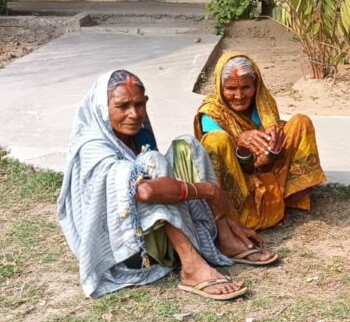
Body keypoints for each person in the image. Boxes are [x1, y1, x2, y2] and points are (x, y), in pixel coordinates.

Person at [57, 70, 278, 301]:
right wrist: (210, 191)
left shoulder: (137, 133)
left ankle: (224, 236)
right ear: (103, 108)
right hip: (130, 252)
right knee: (151, 165)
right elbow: (146, 191)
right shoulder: (92, 146)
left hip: (155, 234)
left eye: (139, 105)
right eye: (122, 107)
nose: (133, 114)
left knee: (187, 145)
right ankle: (191, 265)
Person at [194, 53, 326, 230]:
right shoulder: (212, 113)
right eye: (231, 89)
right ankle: (229, 214)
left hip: (266, 169)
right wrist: (239, 143)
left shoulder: (263, 102)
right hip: (238, 178)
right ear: (220, 87)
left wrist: (273, 149)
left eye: (246, 87)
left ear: (255, 85)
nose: (239, 96)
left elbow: (268, 154)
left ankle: (284, 199)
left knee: (301, 122)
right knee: (216, 140)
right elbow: (225, 160)